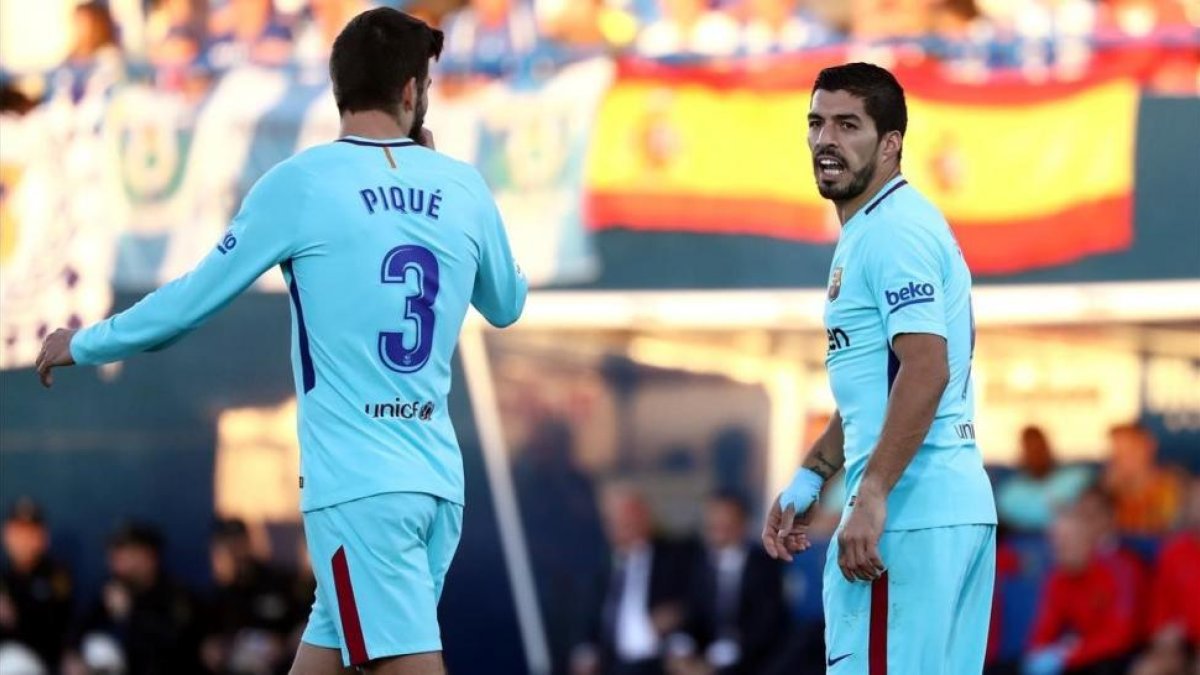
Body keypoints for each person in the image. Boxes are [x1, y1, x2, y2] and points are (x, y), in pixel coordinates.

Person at [36, 7, 528, 675]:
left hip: (357, 488)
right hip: (437, 484)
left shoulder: (301, 183)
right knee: (328, 651)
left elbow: (188, 302)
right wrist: (440, 189)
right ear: (412, 91)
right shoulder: (462, 184)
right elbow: (507, 303)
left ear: (337, 91)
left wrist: (86, 343)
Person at [761, 62, 997, 674]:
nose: (825, 141)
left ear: (890, 144)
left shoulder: (893, 231)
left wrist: (870, 495)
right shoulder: (877, 227)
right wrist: (812, 479)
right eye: (816, 123)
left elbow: (925, 369)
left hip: (909, 520)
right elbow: (882, 388)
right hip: (943, 510)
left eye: (848, 125)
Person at [572, 483, 694, 675]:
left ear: (645, 516)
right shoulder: (602, 568)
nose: (621, 524)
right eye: (614, 519)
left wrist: (680, 640)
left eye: (628, 515)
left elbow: (693, 607)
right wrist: (585, 654)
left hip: (659, 661)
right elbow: (590, 622)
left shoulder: (674, 558)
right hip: (611, 662)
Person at [668, 492, 787, 675]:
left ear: (742, 524)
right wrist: (682, 650)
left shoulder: (765, 565)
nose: (717, 527)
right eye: (712, 521)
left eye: (725, 521)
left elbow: (766, 625)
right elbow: (691, 614)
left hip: (751, 660)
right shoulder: (696, 562)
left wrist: (716, 661)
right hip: (702, 657)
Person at [66, 522, 204, 675]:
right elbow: (79, 627)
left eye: (126, 553)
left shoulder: (175, 595)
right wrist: (73, 656)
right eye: (114, 553)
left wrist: (130, 615)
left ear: (149, 557)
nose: (116, 561)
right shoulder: (110, 587)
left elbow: (174, 647)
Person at [1026, 509, 1142, 675]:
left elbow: (1121, 635)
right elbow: (1043, 631)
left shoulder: (1120, 570)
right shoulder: (1057, 578)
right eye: (1055, 542)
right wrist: (1041, 653)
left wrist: (1069, 654)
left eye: (1067, 540)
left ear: (1087, 539)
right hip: (1082, 654)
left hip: (1124, 654)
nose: (1060, 547)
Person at [1134, 477, 1200, 675]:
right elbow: (1160, 608)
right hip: (1181, 645)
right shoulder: (1173, 552)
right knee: (1146, 670)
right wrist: (1163, 632)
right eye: (1194, 502)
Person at [0, 498, 73, 672]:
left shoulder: (56, 575)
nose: (23, 540)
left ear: (43, 537)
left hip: (41, 662)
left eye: (30, 532)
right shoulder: (3, 577)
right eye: (17, 532)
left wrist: (15, 616)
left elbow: (57, 630)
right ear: (6, 535)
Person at [996, 426, 1093, 531]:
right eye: (1031, 450)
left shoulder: (1077, 478)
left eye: (1040, 448)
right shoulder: (1010, 494)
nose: (1036, 455)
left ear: (1048, 448)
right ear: (1022, 454)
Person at [1105, 422, 1184, 535]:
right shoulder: (1106, 490)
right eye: (1118, 453)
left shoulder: (1172, 486)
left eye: (1130, 451)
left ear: (1149, 446)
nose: (1123, 459)